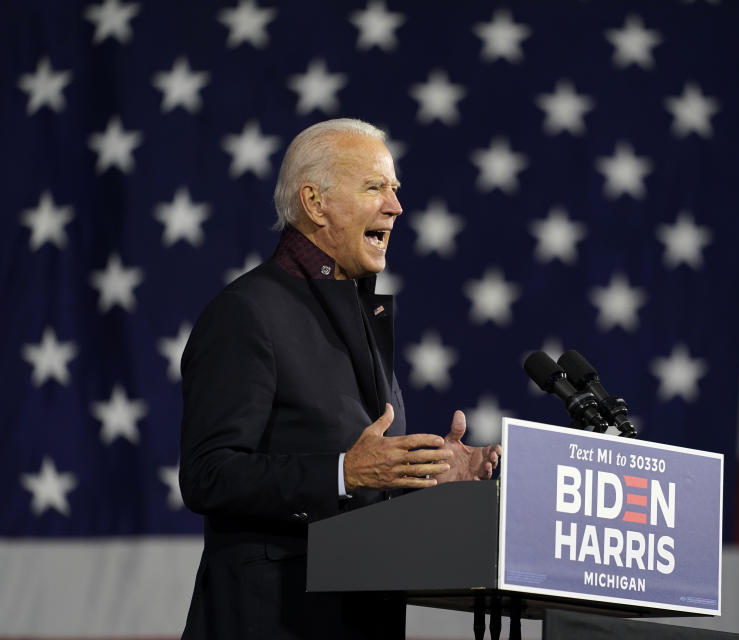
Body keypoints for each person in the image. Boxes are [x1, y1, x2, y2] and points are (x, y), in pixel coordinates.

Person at [178, 118, 501, 639]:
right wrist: (343, 473)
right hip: (272, 621)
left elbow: (365, 482)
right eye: (375, 187)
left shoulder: (360, 314)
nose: (396, 206)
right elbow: (208, 475)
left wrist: (425, 481)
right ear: (315, 202)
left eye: (394, 189)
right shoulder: (247, 312)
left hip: (363, 616)